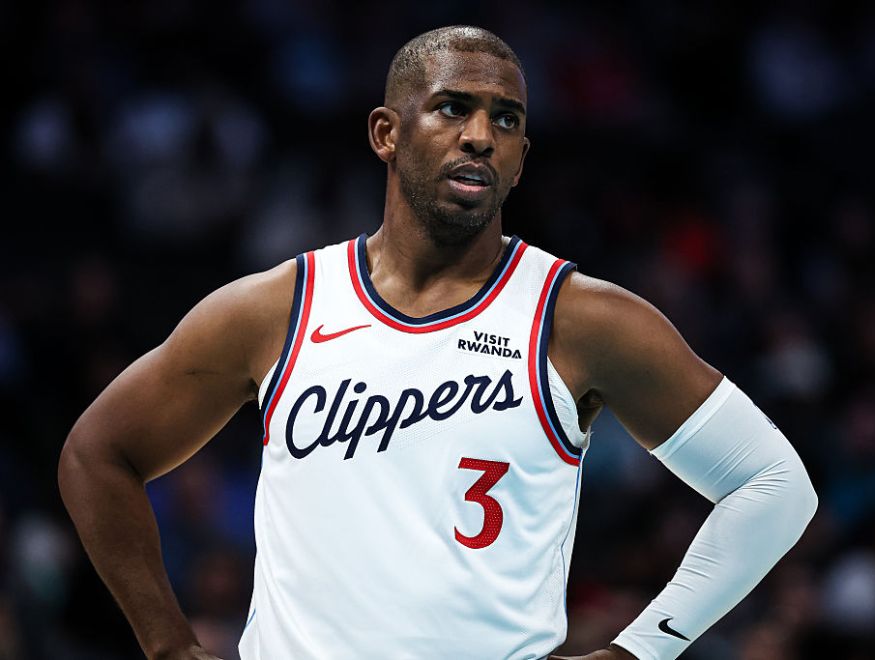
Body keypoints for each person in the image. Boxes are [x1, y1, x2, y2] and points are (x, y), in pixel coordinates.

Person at [58, 26, 817, 660]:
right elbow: (98, 454)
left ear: (522, 156)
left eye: (507, 119)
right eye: (454, 108)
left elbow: (776, 489)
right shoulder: (274, 310)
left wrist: (640, 650)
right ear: (386, 133)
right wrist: (168, 646)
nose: (482, 136)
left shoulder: (582, 320)